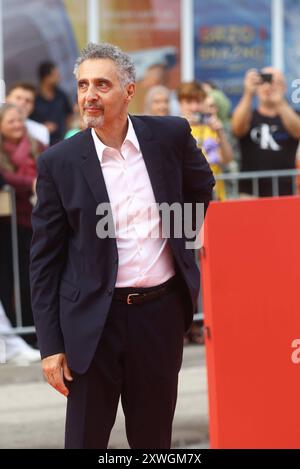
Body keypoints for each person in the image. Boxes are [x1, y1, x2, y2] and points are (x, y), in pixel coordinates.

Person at [30, 42, 215, 449]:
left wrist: (177, 236)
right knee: (84, 439)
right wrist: (51, 345)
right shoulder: (59, 162)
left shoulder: (169, 135)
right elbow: (44, 261)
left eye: (101, 84)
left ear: (129, 91)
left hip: (160, 316)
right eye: (82, 85)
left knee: (153, 442)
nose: (89, 95)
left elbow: (202, 187)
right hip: (92, 322)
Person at [0, 103, 44, 346]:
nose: (17, 125)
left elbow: (52, 166)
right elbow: (6, 179)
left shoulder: (37, 146)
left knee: (38, 278)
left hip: (40, 222)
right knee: (17, 280)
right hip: (12, 226)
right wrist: (32, 181)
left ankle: (40, 330)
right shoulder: (1, 153)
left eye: (19, 120)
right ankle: (23, 333)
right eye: (10, 121)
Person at [232, 67, 300, 197]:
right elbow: (237, 129)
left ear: (284, 87)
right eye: (263, 81)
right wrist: (248, 93)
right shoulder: (249, 115)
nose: (268, 87)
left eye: (274, 82)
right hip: (250, 192)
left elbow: (297, 131)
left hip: (284, 192)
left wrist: (279, 102)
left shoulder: (293, 115)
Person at [30, 61, 73, 145]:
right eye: (55, 75)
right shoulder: (33, 97)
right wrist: (42, 128)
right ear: (46, 77)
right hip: (40, 143)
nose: (59, 77)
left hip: (62, 141)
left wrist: (68, 132)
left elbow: (69, 115)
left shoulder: (61, 95)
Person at [6, 82, 50, 146]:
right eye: (18, 98)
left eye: (28, 100)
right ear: (6, 99)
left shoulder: (41, 131)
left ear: (33, 106)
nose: (23, 103)